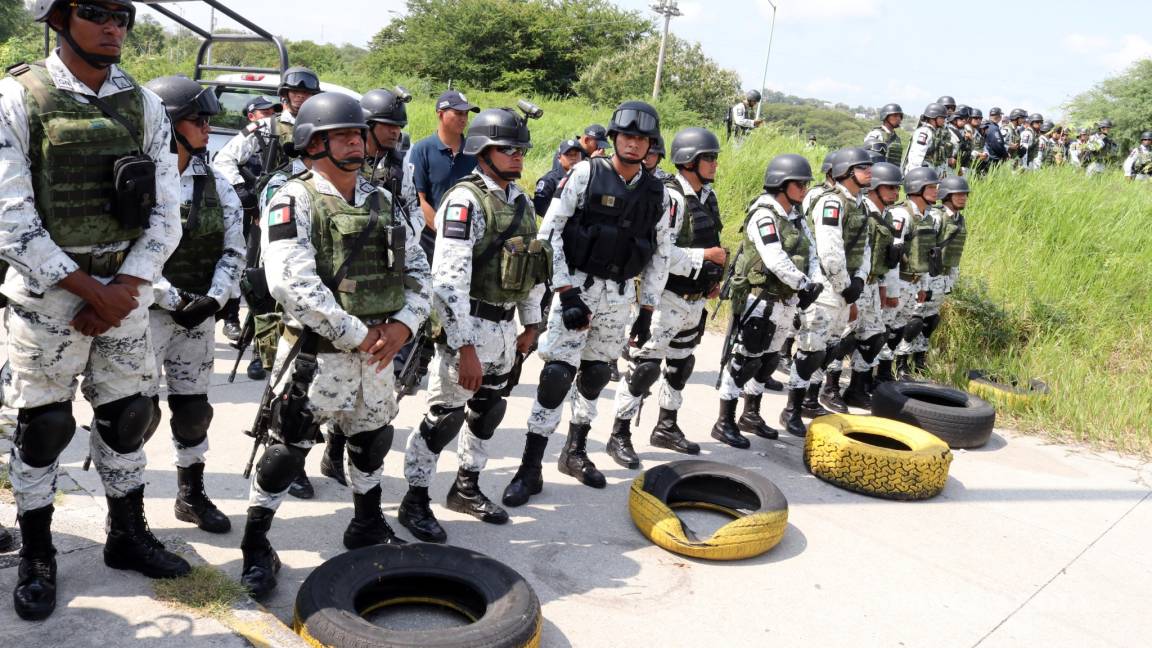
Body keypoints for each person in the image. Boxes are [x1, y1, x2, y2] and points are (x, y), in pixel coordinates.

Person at [0, 0, 188, 620]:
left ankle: (127, 536)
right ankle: (38, 554)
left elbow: (166, 210)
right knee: (43, 425)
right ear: (59, 17)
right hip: (49, 292)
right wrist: (86, 287)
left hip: (126, 289)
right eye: (97, 12)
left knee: (130, 416)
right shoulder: (18, 97)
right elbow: (10, 217)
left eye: (123, 15)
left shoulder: (146, 104)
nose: (114, 27)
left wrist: (125, 285)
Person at [239, 92, 431, 599]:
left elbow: (418, 271)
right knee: (287, 450)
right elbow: (290, 283)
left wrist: (405, 325)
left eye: (356, 133)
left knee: (372, 442)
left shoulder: (381, 200)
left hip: (379, 357)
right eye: (341, 134)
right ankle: (257, 543)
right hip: (316, 357)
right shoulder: (293, 198)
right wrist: (359, 334)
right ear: (312, 142)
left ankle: (366, 524)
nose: (355, 140)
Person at [501, 100, 671, 506]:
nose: (633, 144)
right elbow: (551, 232)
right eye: (626, 136)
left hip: (617, 295)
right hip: (576, 286)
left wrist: (647, 309)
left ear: (650, 144)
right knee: (557, 375)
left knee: (595, 375)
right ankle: (529, 467)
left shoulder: (656, 190)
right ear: (614, 139)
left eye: (641, 139)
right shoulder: (585, 172)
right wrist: (564, 291)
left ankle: (574, 452)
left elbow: (660, 251)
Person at [397, 108, 547, 543]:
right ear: (484, 152)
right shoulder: (464, 201)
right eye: (508, 149)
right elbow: (447, 283)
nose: (517, 156)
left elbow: (532, 267)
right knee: (443, 418)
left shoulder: (521, 202)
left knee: (487, 413)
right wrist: (462, 346)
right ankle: (415, 499)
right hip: (470, 327)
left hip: (504, 331)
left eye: (521, 150)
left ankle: (466, 487)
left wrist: (532, 325)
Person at [142, 75, 245, 535]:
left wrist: (215, 297)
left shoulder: (216, 183)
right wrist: (172, 296)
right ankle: (125, 511)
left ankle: (191, 494)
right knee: (131, 415)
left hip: (197, 317)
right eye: (198, 119)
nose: (208, 128)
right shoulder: (136, 177)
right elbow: (122, 250)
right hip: (142, 315)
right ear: (168, 124)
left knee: (193, 410)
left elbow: (235, 249)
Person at [611, 127, 726, 459]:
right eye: (709, 158)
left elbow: (708, 241)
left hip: (695, 299)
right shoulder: (671, 198)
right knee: (643, 368)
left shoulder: (706, 197)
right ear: (689, 161)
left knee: (680, 365)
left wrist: (711, 278)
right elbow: (660, 253)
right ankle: (619, 433)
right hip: (666, 298)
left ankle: (666, 426)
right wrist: (704, 258)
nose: (715, 164)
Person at [721, 155, 825, 440]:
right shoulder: (763, 214)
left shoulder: (795, 215)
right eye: (799, 183)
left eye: (805, 184)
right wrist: (803, 284)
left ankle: (751, 414)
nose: (804, 189)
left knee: (768, 362)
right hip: (760, 299)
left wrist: (813, 281)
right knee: (746, 360)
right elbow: (774, 258)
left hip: (786, 300)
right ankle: (725, 420)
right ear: (781, 184)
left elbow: (812, 251)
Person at [807, 148, 872, 416]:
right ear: (846, 171)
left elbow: (866, 248)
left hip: (847, 289)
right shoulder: (831, 202)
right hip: (828, 288)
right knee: (813, 350)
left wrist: (859, 280)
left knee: (831, 349)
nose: (870, 171)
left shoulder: (861, 204)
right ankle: (799, 405)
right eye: (863, 167)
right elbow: (830, 252)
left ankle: (811, 401)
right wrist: (846, 285)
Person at [840, 162, 903, 407]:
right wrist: (850, 292)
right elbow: (852, 252)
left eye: (897, 189)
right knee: (843, 339)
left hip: (874, 284)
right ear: (875, 188)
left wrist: (886, 289)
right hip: (855, 283)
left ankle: (856, 388)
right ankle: (829, 388)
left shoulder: (887, 216)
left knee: (874, 337)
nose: (895, 193)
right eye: (890, 188)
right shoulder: (861, 211)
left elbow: (887, 258)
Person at [405, 89, 481, 257]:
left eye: (466, 114)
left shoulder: (475, 151)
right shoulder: (422, 150)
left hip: (470, 242)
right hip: (432, 242)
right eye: (458, 113)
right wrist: (445, 232)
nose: (464, 119)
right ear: (440, 114)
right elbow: (419, 199)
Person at [889, 167, 941, 379]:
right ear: (916, 189)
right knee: (886, 330)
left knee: (904, 328)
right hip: (899, 281)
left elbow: (928, 256)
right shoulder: (901, 214)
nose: (936, 191)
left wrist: (924, 287)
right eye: (931, 187)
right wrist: (890, 289)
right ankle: (874, 373)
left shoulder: (929, 218)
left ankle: (894, 369)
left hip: (915, 282)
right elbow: (893, 254)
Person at [534, 139, 583, 215]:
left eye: (576, 154)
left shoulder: (587, 176)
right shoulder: (549, 180)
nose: (573, 158)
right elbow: (539, 207)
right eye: (569, 154)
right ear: (559, 158)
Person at [904, 103, 946, 174]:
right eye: (942, 118)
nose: (944, 120)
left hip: (929, 172)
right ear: (933, 118)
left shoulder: (934, 132)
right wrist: (916, 174)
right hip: (920, 173)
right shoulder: (924, 132)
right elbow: (917, 155)